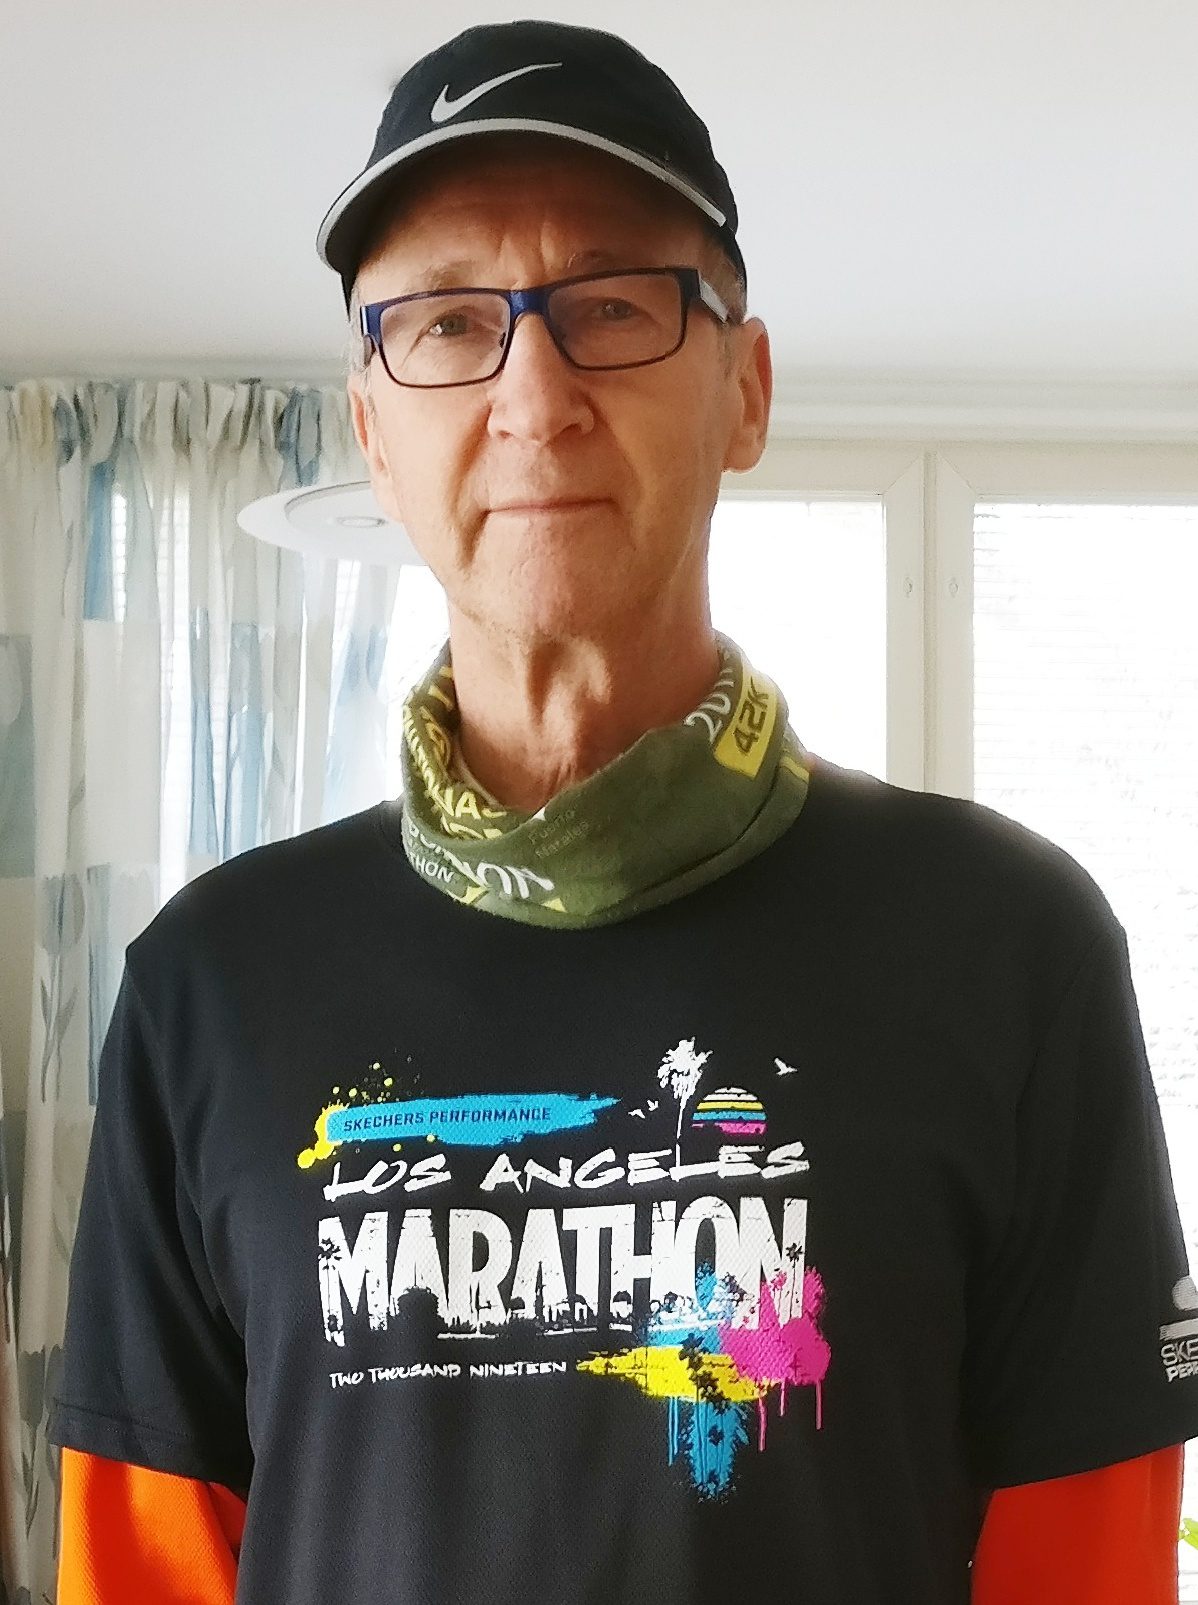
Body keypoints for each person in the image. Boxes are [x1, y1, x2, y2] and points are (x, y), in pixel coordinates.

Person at [48, 18, 1198, 1604]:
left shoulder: (1009, 941)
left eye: (610, 307)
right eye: (447, 323)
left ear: (745, 388)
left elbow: (1089, 1561)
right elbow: (141, 1568)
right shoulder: (210, 985)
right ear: (373, 427)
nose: (534, 394)